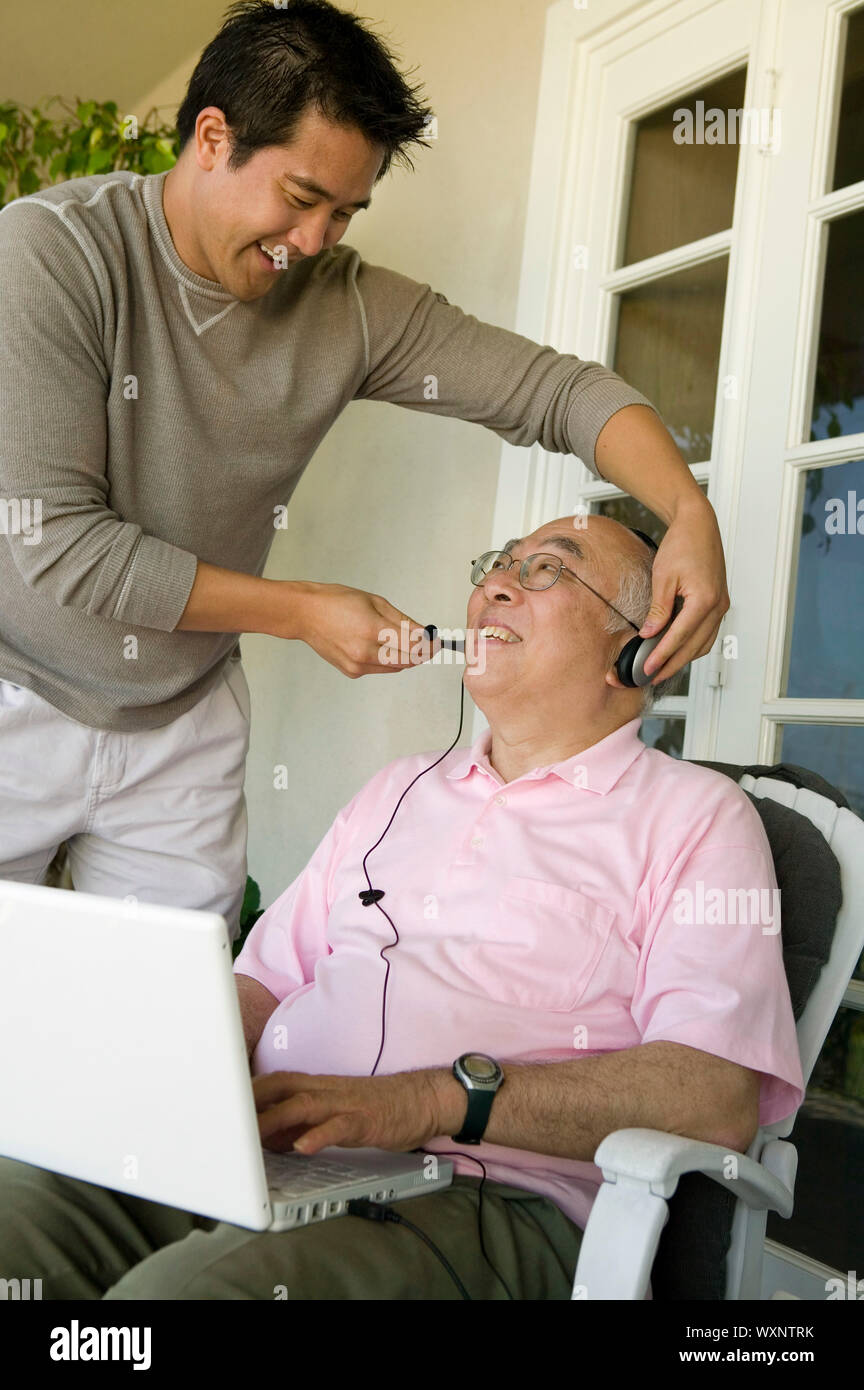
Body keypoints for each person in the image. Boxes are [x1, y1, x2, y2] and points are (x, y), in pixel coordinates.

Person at [0, 0, 728, 935]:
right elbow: (60, 549)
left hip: (179, 721)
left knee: (165, 1028)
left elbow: (561, 392)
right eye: (301, 199)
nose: (313, 242)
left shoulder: (350, 309)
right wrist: (303, 612)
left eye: (345, 212)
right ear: (212, 137)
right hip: (16, 682)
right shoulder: (52, 255)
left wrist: (688, 511)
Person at [0, 515, 803, 1300]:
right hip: (263, 1155)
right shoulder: (399, 787)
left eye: (546, 569)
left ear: (635, 648)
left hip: (483, 1198)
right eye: (497, 563)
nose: (493, 585)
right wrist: (171, 1086)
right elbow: (262, 982)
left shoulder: (697, 817)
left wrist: (424, 1100)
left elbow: (713, 1097)